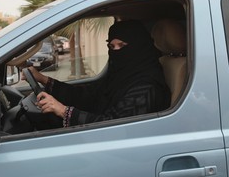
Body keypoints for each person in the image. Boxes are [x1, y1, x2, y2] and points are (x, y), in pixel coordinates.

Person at [27, 20, 171, 128]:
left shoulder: (146, 87)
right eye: (111, 46)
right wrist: (44, 79)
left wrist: (63, 111)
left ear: (139, 45)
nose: (116, 51)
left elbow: (113, 126)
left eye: (122, 46)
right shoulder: (121, 75)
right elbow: (90, 96)